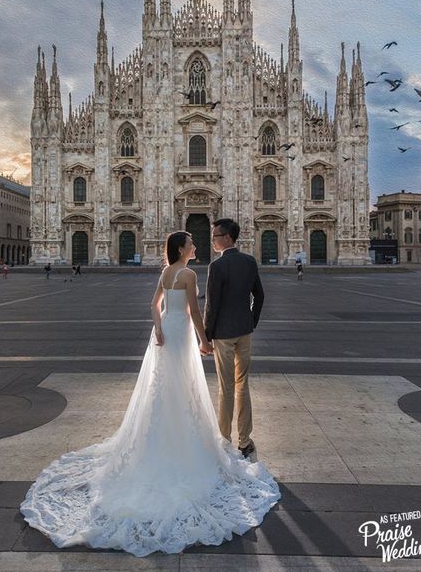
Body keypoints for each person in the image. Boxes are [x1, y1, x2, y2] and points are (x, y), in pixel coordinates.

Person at [20, 231, 280, 556]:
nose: (196, 246)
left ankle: (162, 441)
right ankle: (187, 441)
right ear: (182, 249)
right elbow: (195, 313)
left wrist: (157, 327)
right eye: (192, 244)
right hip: (183, 333)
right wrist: (204, 339)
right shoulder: (187, 274)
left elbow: (153, 305)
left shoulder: (166, 272)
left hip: (166, 332)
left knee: (163, 388)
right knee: (185, 387)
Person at [204, 218, 264, 459]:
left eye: (215, 236)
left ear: (227, 237)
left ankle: (224, 439)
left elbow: (212, 305)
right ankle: (245, 440)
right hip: (245, 331)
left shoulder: (217, 266)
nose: (213, 241)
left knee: (226, 387)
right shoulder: (249, 262)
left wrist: (207, 337)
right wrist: (252, 321)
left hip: (224, 335)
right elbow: (259, 296)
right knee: (243, 385)